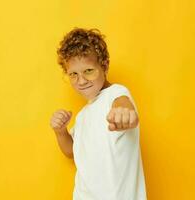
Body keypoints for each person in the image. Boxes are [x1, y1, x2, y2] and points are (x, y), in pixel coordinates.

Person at [50, 27, 147, 200]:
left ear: (104, 66)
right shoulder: (82, 115)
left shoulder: (115, 94)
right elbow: (71, 151)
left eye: (88, 71)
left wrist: (124, 112)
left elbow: (123, 103)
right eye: (73, 74)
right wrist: (60, 131)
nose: (81, 81)